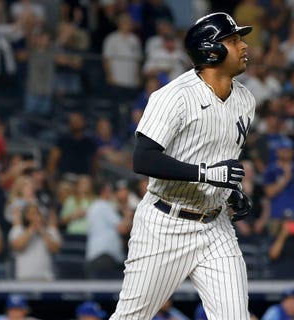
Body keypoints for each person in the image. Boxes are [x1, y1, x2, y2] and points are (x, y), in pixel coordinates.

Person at [110, 12, 256, 320]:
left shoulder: (245, 99)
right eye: (233, 40)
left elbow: (218, 157)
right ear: (210, 50)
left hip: (216, 226)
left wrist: (231, 193)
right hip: (166, 223)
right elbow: (143, 158)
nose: (243, 46)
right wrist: (205, 174)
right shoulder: (173, 96)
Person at [9, 202, 61, 281]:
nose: (35, 216)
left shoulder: (51, 230)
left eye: (38, 213)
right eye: (32, 213)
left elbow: (55, 249)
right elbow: (17, 246)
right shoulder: (18, 230)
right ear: (26, 216)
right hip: (24, 278)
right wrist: (31, 229)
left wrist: (43, 232)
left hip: (46, 278)